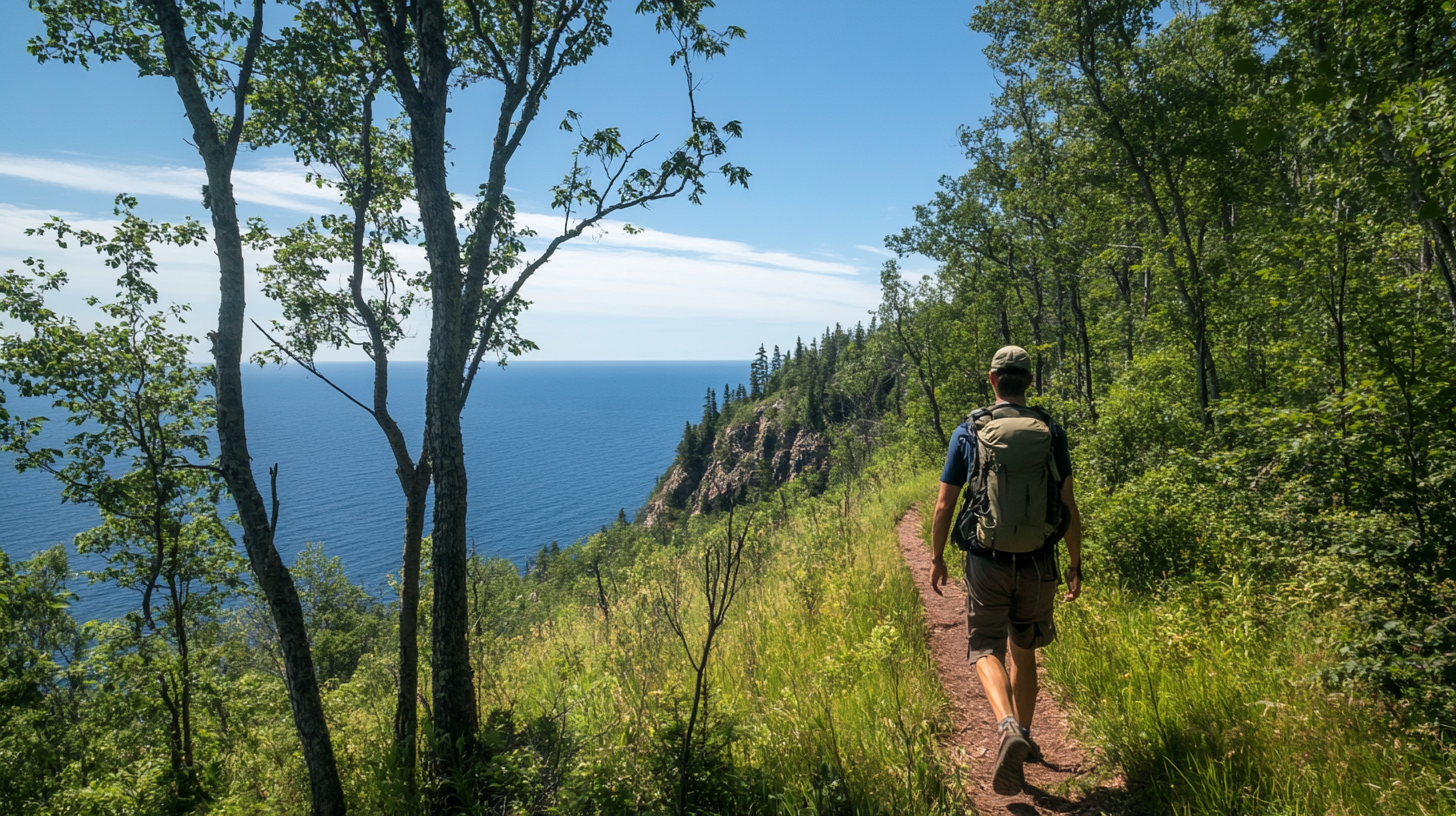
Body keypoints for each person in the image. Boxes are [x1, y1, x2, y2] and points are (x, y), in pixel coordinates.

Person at [930, 345, 1083, 795]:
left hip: (987, 560)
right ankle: (1027, 737)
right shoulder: (1051, 431)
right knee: (1025, 649)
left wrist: (937, 557)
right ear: (1028, 381)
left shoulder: (970, 431)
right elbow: (1068, 504)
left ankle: (1007, 727)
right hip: (1038, 561)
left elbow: (944, 505)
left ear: (993, 379)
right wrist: (1075, 563)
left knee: (984, 647)